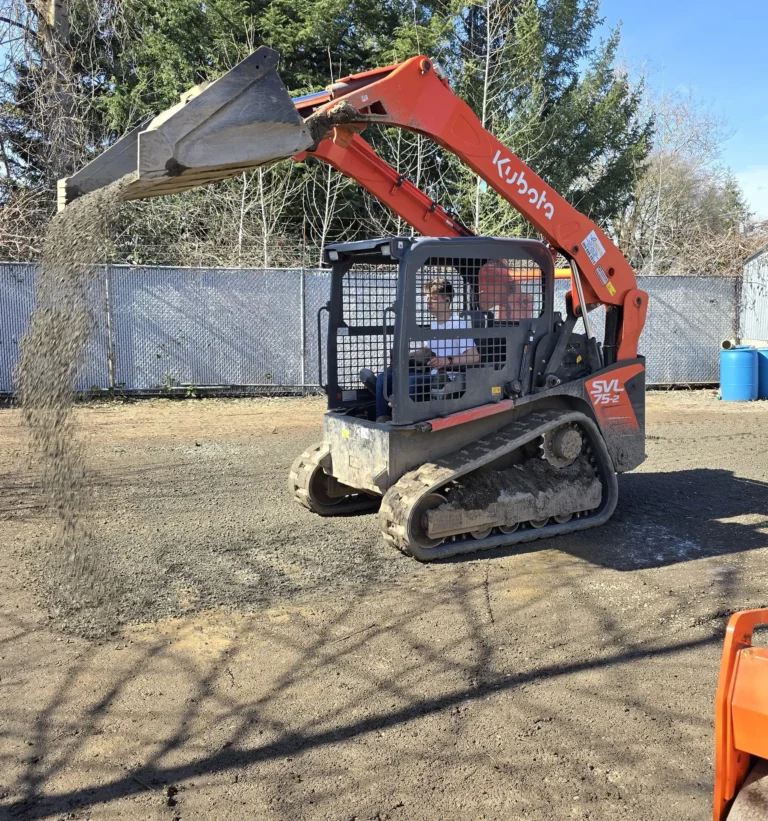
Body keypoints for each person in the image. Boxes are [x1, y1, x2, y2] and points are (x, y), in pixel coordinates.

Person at [375, 278, 479, 422]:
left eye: (434, 298)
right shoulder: (435, 324)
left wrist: (447, 361)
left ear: (447, 300)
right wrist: (407, 355)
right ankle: (383, 420)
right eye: (428, 298)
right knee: (384, 378)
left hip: (448, 377)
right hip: (432, 374)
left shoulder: (459, 325)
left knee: (410, 382)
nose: (428, 302)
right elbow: (427, 351)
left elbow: (474, 356)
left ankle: (407, 421)